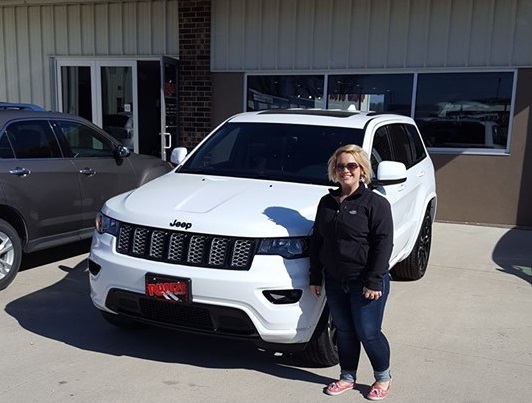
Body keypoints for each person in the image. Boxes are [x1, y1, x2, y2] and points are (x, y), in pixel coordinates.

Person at [309, 144, 394, 400]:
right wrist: (315, 276)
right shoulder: (327, 202)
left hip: (365, 281)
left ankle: (383, 377)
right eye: (340, 165)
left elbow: (383, 243)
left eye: (351, 165)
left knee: (368, 332)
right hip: (335, 280)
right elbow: (318, 241)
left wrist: (373, 281)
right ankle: (347, 376)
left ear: (362, 170)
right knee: (344, 331)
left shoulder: (375, 203)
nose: (345, 170)